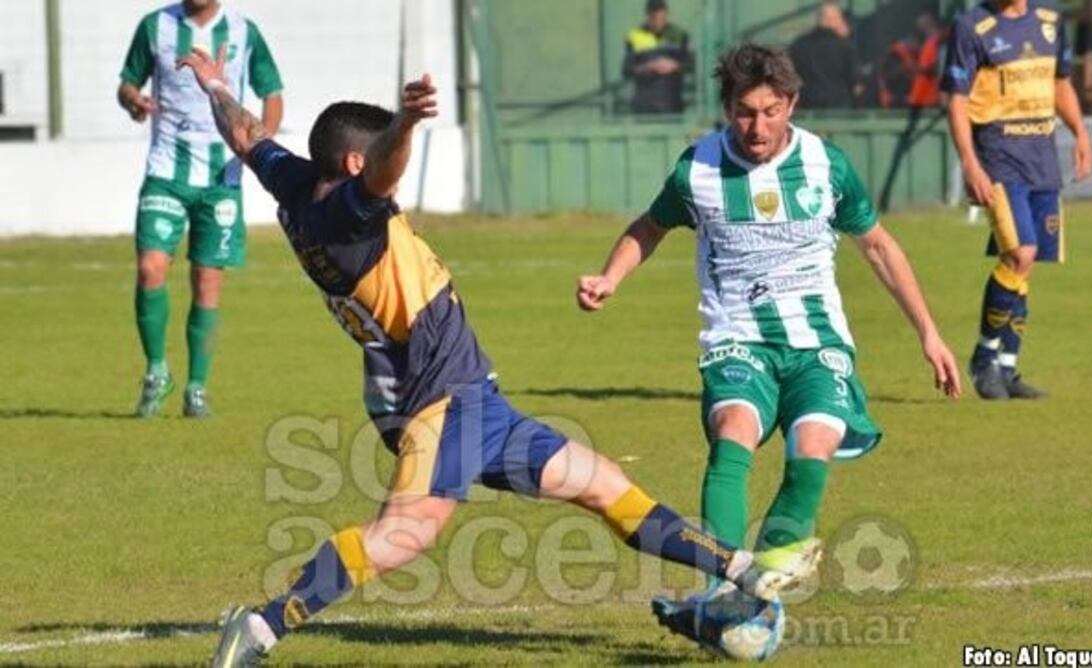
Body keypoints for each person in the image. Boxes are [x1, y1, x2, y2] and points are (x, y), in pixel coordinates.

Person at [175, 46, 809, 667]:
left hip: (475, 400)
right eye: (373, 167)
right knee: (402, 536)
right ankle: (261, 626)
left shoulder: (296, 185)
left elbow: (247, 135)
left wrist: (214, 87)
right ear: (352, 161)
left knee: (603, 485)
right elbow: (380, 172)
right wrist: (406, 124)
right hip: (441, 401)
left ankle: (741, 571)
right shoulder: (348, 216)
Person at [578, 43, 960, 645]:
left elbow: (881, 248)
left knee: (814, 446)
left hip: (817, 343)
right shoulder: (698, 171)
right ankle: (724, 587)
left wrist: (929, 334)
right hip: (738, 339)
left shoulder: (826, 166)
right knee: (734, 432)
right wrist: (610, 276)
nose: (758, 127)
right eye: (745, 112)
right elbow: (647, 227)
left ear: (792, 104)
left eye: (771, 110)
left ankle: (765, 585)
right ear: (727, 108)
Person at [118, 0, 283, 418]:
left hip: (221, 179)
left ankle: (197, 387)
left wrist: (260, 146)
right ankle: (156, 371)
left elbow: (272, 91)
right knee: (150, 268)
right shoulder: (155, 26)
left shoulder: (245, 31)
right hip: (165, 171)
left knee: (207, 283)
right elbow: (127, 83)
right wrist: (134, 100)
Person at [941, 0, 1092, 399]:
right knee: (1020, 254)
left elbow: (1061, 82)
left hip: (1041, 158)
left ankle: (1007, 369)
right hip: (998, 155)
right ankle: (983, 356)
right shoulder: (971, 26)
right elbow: (956, 100)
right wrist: (970, 163)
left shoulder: (1049, 21)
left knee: (1026, 265)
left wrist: (1080, 133)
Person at [623, 0, 693, 114]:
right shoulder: (634, 36)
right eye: (654, 19)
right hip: (644, 107)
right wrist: (649, 67)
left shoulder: (680, 35)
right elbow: (627, 70)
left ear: (667, 15)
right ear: (648, 16)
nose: (658, 23)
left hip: (672, 104)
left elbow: (691, 65)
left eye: (662, 18)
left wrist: (674, 66)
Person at [787, 1, 859, 109]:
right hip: (839, 108)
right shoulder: (845, 47)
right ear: (834, 20)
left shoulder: (798, 45)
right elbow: (855, 82)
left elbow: (790, 77)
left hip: (807, 107)